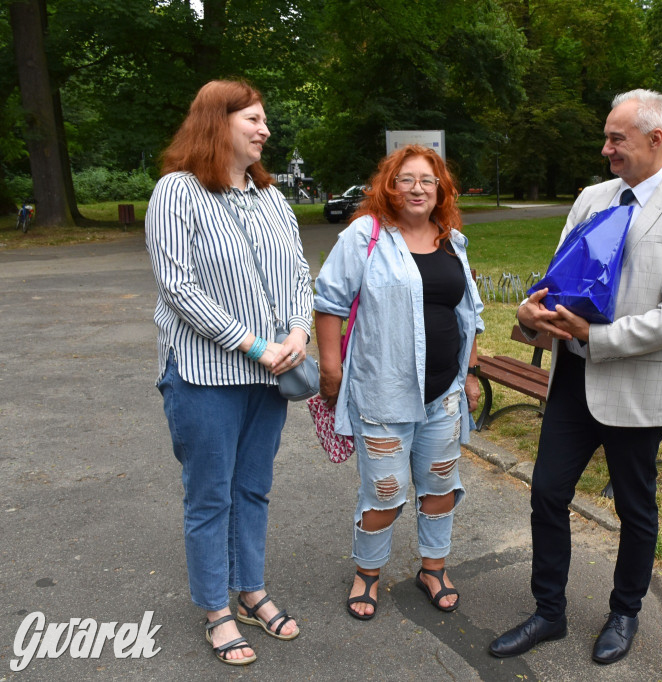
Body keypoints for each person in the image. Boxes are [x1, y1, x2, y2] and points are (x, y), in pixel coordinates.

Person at [489, 89, 662, 664]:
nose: (606, 149)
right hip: (571, 380)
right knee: (547, 492)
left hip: (635, 384)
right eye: (608, 136)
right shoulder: (594, 197)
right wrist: (531, 308)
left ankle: (625, 612)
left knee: (635, 508)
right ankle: (549, 613)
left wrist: (596, 338)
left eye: (617, 138)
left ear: (655, 139)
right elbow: (559, 276)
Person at [146, 79, 311, 666]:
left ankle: (251, 592)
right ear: (218, 122)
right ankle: (217, 608)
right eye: (255, 119)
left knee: (252, 489)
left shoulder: (271, 198)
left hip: (270, 375)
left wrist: (297, 332)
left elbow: (296, 270)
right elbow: (177, 285)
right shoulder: (178, 192)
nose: (266, 130)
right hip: (203, 374)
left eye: (265, 121)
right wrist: (253, 345)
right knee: (211, 496)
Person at [313, 144, 484, 621]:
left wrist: (469, 373)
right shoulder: (364, 235)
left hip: (445, 394)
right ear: (389, 186)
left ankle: (433, 567)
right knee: (385, 493)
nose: (417, 189)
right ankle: (367, 572)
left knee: (440, 487)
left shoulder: (452, 240)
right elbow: (328, 302)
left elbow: (470, 312)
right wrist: (331, 369)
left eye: (427, 180)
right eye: (406, 179)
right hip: (383, 395)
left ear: (440, 189)